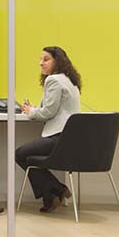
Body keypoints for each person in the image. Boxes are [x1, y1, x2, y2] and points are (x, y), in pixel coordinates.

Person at [16, 46, 83, 213]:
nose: (41, 63)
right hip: (71, 138)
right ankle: (50, 196)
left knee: (20, 154)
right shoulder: (69, 80)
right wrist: (34, 109)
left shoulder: (53, 80)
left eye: (46, 59)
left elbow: (48, 112)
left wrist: (30, 112)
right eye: (40, 59)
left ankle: (58, 189)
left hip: (59, 137)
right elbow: (52, 108)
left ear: (57, 61)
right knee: (30, 157)